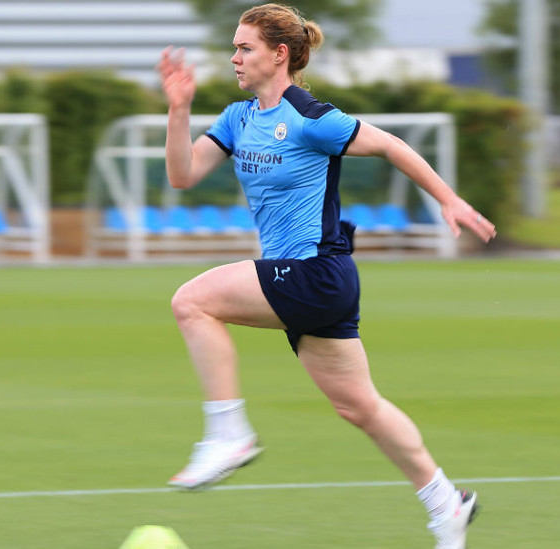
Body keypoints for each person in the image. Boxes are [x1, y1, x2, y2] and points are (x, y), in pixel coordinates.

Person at [156, 4, 496, 548]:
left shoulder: (312, 117)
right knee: (359, 406)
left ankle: (228, 434)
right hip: (313, 281)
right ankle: (445, 502)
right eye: (235, 47)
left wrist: (448, 199)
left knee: (192, 301)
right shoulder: (237, 119)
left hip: (315, 272)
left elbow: (390, 145)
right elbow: (182, 174)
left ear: (279, 54)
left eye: (245, 47)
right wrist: (179, 109)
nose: (234, 57)